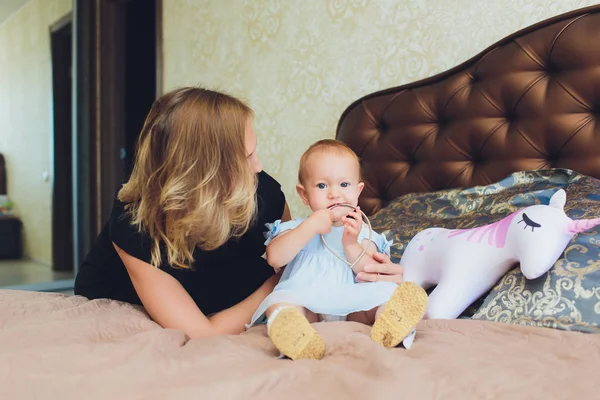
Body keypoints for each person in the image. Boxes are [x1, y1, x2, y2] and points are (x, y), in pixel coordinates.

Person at [74, 87, 406, 340]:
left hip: (227, 297)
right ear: (202, 172)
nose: (259, 166)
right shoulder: (134, 225)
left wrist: (368, 271)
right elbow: (203, 334)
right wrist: (282, 286)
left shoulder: (266, 194)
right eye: (246, 158)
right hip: (136, 296)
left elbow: (299, 256)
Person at [248, 139, 428, 360]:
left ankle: (390, 323)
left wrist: (351, 243)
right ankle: (294, 335)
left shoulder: (362, 231)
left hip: (351, 302)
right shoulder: (296, 228)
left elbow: (368, 271)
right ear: (304, 195)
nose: (334, 194)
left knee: (384, 295)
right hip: (307, 298)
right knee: (281, 303)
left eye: (344, 185)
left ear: (358, 191)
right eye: (322, 186)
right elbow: (274, 258)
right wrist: (310, 226)